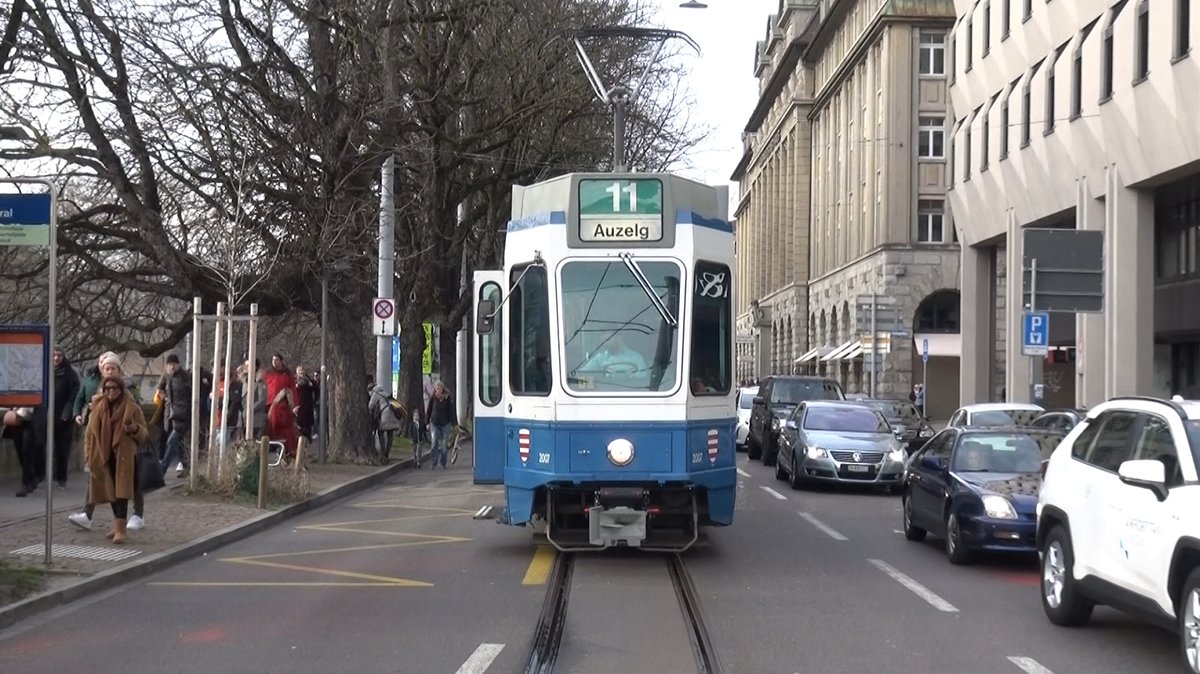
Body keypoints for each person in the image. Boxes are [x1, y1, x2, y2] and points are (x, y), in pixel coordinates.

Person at [69, 353, 148, 531]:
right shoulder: (99, 393)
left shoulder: (128, 393)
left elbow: (140, 424)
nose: (110, 372)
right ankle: (88, 514)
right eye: (106, 369)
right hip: (103, 446)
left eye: (113, 368)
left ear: (118, 370)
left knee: (130, 483)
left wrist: (133, 428)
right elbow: (85, 408)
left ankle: (137, 514)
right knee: (98, 476)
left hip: (125, 448)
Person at [84, 376, 148, 544]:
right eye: (108, 389)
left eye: (115, 388)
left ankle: (121, 529)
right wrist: (89, 456)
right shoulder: (98, 408)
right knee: (110, 492)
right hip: (103, 456)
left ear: (121, 390)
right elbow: (90, 434)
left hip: (124, 457)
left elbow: (144, 434)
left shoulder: (132, 408)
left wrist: (134, 429)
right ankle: (117, 526)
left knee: (122, 493)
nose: (111, 392)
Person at [50, 350, 81, 488]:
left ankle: (61, 478)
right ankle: (44, 475)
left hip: (63, 418)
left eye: (59, 355)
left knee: (62, 449)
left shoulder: (69, 374)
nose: (56, 358)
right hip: (47, 416)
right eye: (54, 355)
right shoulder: (44, 371)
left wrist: (67, 413)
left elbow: (74, 395)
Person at [157, 353, 192, 478]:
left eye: (173, 364)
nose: (171, 367)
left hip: (182, 414)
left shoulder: (186, 377)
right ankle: (186, 467)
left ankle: (163, 468)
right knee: (180, 442)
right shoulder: (166, 376)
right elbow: (160, 389)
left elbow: (191, 395)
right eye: (169, 365)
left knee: (172, 441)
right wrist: (164, 398)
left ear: (178, 364)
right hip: (169, 414)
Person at [263, 353, 299, 460]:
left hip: (283, 404)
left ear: (281, 361)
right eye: (273, 360)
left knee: (285, 430)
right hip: (270, 405)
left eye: (277, 360)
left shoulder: (287, 374)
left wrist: (295, 405)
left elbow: (292, 389)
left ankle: (288, 453)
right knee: (271, 429)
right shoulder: (268, 373)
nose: (274, 362)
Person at [425, 382, 457, 469]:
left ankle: (443, 462)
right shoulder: (433, 398)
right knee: (434, 441)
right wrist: (427, 422)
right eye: (436, 388)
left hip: (445, 424)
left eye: (439, 388)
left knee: (444, 444)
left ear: (443, 389)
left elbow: (451, 412)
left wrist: (454, 424)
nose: (438, 390)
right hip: (434, 423)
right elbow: (429, 410)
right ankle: (433, 462)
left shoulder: (447, 398)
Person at [368, 384, 401, 463]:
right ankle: (387, 453)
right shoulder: (385, 393)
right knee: (390, 433)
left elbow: (370, 406)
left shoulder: (376, 394)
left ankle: (383, 453)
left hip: (385, 415)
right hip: (392, 414)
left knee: (381, 432)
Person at [583, 334, 648, 374]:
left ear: (619, 338)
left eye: (608, 340)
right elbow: (583, 373)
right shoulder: (600, 358)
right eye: (603, 341)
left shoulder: (636, 357)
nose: (605, 344)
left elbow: (643, 378)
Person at [294, 366, 316, 441]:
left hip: (308, 405)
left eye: (302, 371)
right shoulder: (295, 381)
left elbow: (315, 389)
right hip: (299, 405)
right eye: (299, 371)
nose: (301, 373)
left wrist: (311, 384)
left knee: (308, 423)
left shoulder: (309, 381)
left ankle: (308, 438)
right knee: (299, 423)